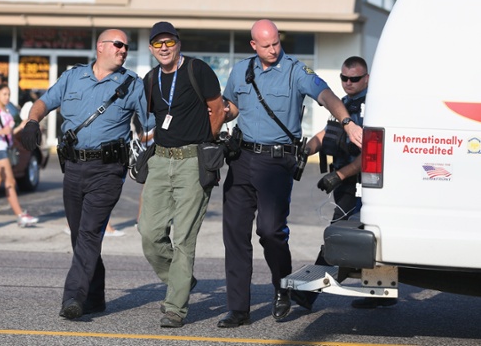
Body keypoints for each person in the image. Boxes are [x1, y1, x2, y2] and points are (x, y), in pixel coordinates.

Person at [216, 19, 363, 328]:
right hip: (241, 159)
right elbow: (231, 106)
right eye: (266, 45)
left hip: (276, 163)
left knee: (271, 232)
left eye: (276, 43)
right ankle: (238, 309)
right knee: (235, 236)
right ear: (253, 45)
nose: (273, 49)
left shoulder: (297, 71)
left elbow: (326, 97)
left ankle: (282, 287)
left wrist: (347, 122)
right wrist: (219, 112)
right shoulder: (241, 70)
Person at [20, 29, 150, 320]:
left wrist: (150, 150)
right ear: (100, 47)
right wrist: (32, 121)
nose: (123, 50)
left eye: (126, 46)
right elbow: (44, 101)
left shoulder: (133, 85)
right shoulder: (72, 77)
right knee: (80, 237)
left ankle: (73, 298)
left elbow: (149, 125)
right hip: (73, 167)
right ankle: (95, 297)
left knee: (90, 234)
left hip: (108, 170)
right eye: (118, 44)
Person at [138, 21, 226, 328]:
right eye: (157, 44)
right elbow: (153, 118)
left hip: (192, 161)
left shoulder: (197, 70)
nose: (164, 48)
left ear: (178, 44)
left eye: (169, 43)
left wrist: (208, 142)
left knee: (184, 237)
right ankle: (181, 278)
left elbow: (217, 109)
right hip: (160, 162)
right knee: (148, 233)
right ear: (151, 49)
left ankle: (175, 307)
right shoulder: (150, 79)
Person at [291, 56, 397, 310]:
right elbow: (327, 133)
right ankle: (381, 294)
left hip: (364, 184)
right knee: (371, 238)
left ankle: (309, 293)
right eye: (344, 78)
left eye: (355, 78)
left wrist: (338, 175)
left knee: (338, 235)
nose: (348, 83)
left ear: (367, 78)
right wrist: (306, 149)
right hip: (347, 184)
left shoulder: (372, 107)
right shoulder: (347, 104)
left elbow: (372, 152)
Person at [0, 84, 39, 228]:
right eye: (4, 94)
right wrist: (0, 132)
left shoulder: (7, 112)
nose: (7, 97)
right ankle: (20, 216)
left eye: (8, 94)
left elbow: (9, 133)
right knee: (10, 182)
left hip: (4, 148)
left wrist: (20, 127)